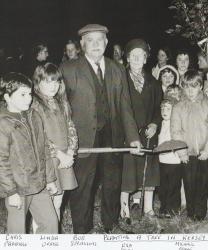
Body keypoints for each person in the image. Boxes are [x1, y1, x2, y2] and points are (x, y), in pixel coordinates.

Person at [60, 24, 141, 234]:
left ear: (106, 43)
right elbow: (61, 109)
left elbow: (125, 106)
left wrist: (132, 137)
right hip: (82, 139)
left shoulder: (117, 69)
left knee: (112, 183)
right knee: (83, 186)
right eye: (90, 40)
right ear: (82, 45)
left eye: (100, 40)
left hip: (112, 137)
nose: (96, 45)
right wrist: (65, 142)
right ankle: (82, 230)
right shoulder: (69, 69)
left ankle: (110, 224)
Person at [0, 72, 58, 233]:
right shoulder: (3, 123)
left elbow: (44, 148)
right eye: (22, 95)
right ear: (7, 97)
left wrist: (50, 179)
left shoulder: (35, 116)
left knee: (51, 223)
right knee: (17, 230)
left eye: (30, 94)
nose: (29, 99)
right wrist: (10, 192)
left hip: (39, 183)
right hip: (18, 188)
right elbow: (1, 161)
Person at [120, 38, 162, 221]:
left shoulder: (153, 83)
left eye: (141, 56)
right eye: (133, 55)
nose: (137, 59)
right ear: (128, 58)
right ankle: (124, 209)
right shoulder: (120, 80)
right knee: (127, 172)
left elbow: (158, 108)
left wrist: (154, 123)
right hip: (126, 134)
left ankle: (148, 208)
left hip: (148, 134)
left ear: (146, 59)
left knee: (149, 171)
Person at [31, 63, 78, 227]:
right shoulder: (34, 105)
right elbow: (39, 136)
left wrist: (71, 152)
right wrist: (59, 155)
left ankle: (53, 238)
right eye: (48, 81)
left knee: (57, 202)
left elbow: (71, 127)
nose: (53, 86)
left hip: (65, 159)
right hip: (48, 160)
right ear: (38, 83)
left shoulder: (61, 103)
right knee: (44, 208)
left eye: (56, 81)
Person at [171, 70, 208, 221]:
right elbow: (175, 131)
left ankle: (200, 213)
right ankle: (191, 211)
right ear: (183, 87)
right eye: (187, 87)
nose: (190, 90)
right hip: (187, 152)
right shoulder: (178, 107)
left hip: (203, 151)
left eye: (194, 86)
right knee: (189, 182)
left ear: (201, 86)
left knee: (202, 182)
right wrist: (182, 152)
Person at [158, 98, 182, 218]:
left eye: (168, 108)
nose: (164, 111)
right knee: (163, 187)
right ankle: (163, 207)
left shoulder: (176, 123)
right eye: (162, 108)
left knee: (173, 186)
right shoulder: (160, 123)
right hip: (162, 160)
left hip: (174, 161)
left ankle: (172, 209)